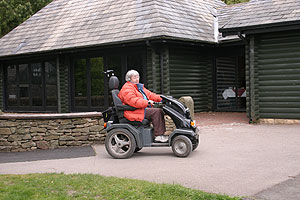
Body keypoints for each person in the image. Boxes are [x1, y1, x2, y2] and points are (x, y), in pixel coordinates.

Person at [118, 70, 168, 142]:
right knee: (157, 112)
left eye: (138, 77)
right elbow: (133, 101)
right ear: (129, 79)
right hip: (133, 111)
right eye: (134, 77)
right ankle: (158, 135)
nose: (137, 79)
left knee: (158, 111)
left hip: (140, 109)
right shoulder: (127, 88)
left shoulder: (138, 87)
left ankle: (158, 134)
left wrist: (163, 98)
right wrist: (147, 102)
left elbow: (151, 95)